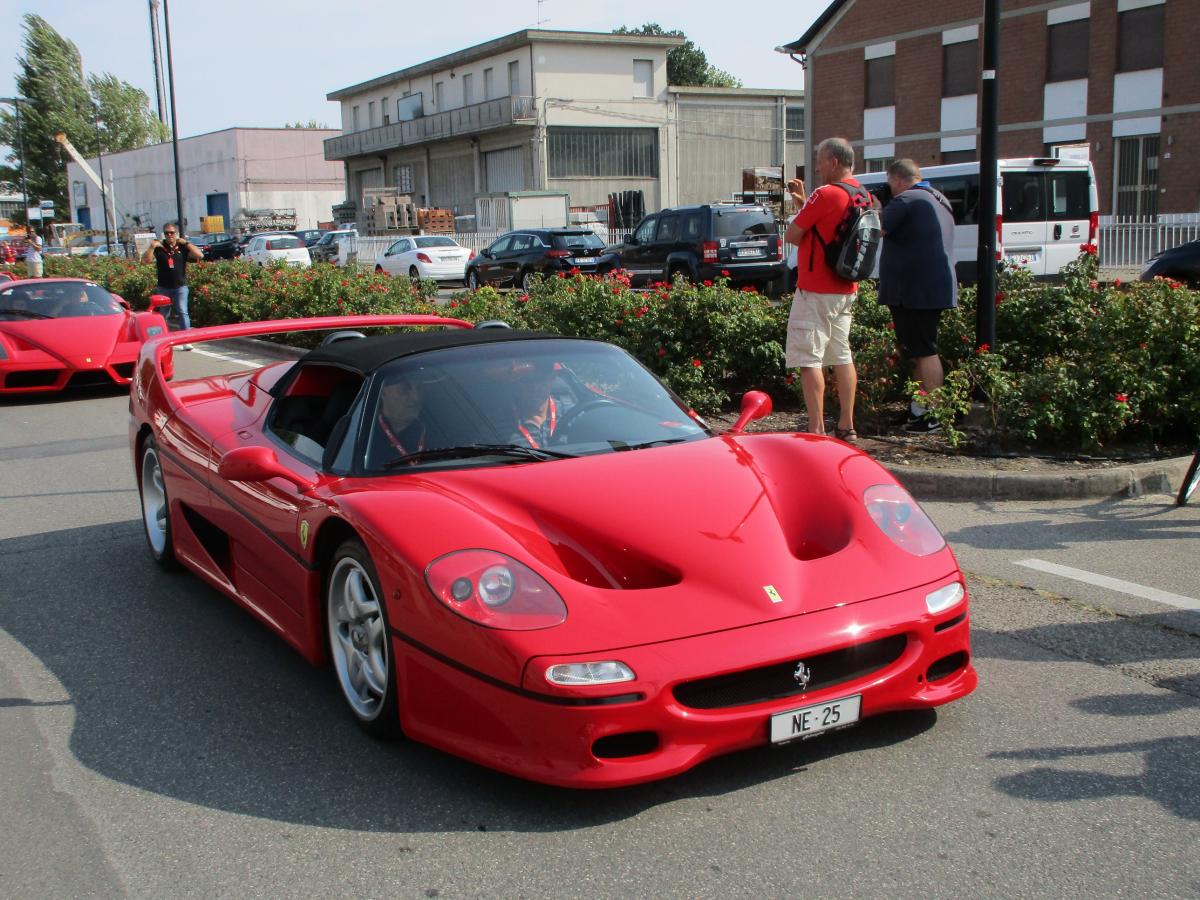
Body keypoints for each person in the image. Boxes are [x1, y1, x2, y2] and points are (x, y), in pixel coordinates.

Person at [783, 136, 862, 442]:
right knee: (842, 355)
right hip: (845, 288)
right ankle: (846, 425)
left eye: (819, 162)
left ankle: (816, 429)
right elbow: (825, 229)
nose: (817, 168)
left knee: (809, 358)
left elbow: (793, 235)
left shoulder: (825, 193)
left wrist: (806, 205)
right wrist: (803, 203)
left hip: (815, 289)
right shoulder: (860, 193)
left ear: (833, 162)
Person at [877, 159, 958, 433]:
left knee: (924, 350)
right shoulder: (938, 197)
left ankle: (934, 413)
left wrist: (876, 207)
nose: (889, 188)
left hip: (915, 290)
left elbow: (875, 229)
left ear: (897, 179)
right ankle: (918, 410)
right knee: (915, 350)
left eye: (889, 183)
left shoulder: (906, 199)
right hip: (928, 287)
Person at [141, 223, 202, 349]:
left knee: (183, 311)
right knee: (164, 315)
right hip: (164, 287)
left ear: (176, 234)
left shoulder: (182, 247)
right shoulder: (159, 247)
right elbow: (145, 261)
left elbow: (200, 255)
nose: (169, 235)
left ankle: (186, 340)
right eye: (166, 233)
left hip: (180, 286)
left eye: (172, 233)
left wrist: (186, 243)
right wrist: (152, 247)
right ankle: (164, 341)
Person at [509, 361, 561, 448]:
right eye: (527, 381)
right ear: (516, 384)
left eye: (540, 380)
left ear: (552, 380)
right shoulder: (500, 425)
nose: (535, 388)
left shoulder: (573, 415)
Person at [376, 376, 426, 456]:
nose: (415, 397)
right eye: (405, 388)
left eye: (419, 387)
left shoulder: (438, 427)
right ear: (383, 391)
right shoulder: (364, 433)